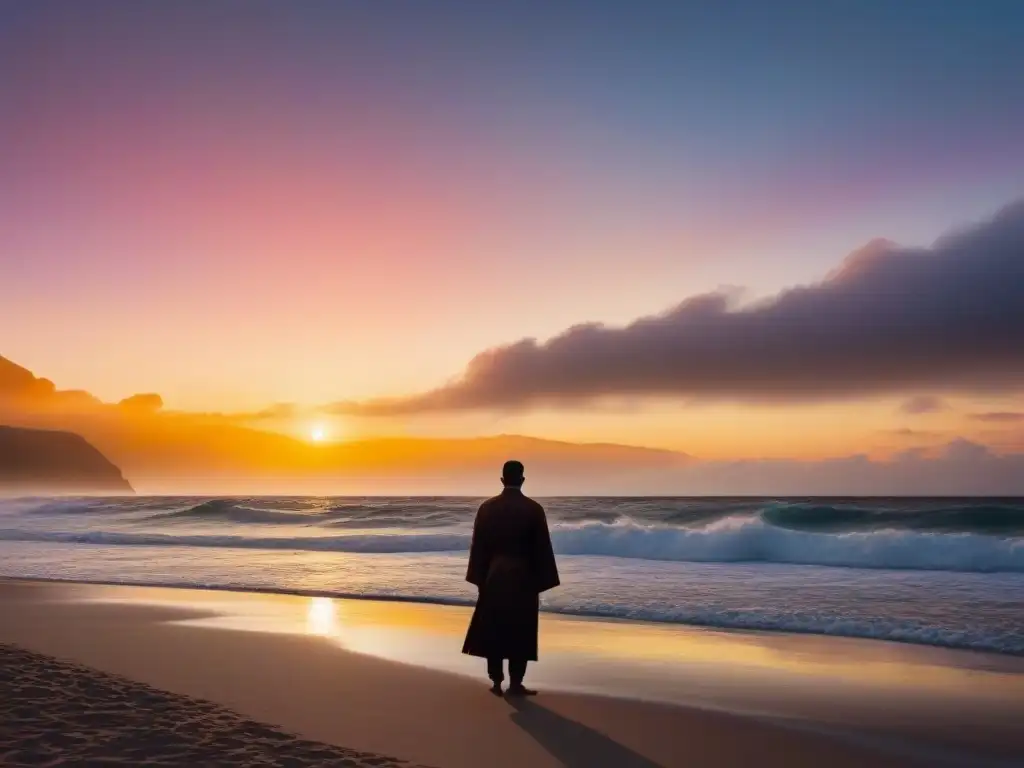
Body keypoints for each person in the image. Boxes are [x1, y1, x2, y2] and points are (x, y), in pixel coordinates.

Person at [461, 460, 560, 696]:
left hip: (494, 574)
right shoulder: (533, 509)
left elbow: (479, 548)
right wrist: (542, 580)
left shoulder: (487, 508)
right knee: (521, 628)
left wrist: (479, 578)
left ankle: (496, 682)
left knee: (494, 627)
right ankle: (516, 683)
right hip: (524, 576)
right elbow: (542, 548)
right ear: (522, 479)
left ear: (502, 480)